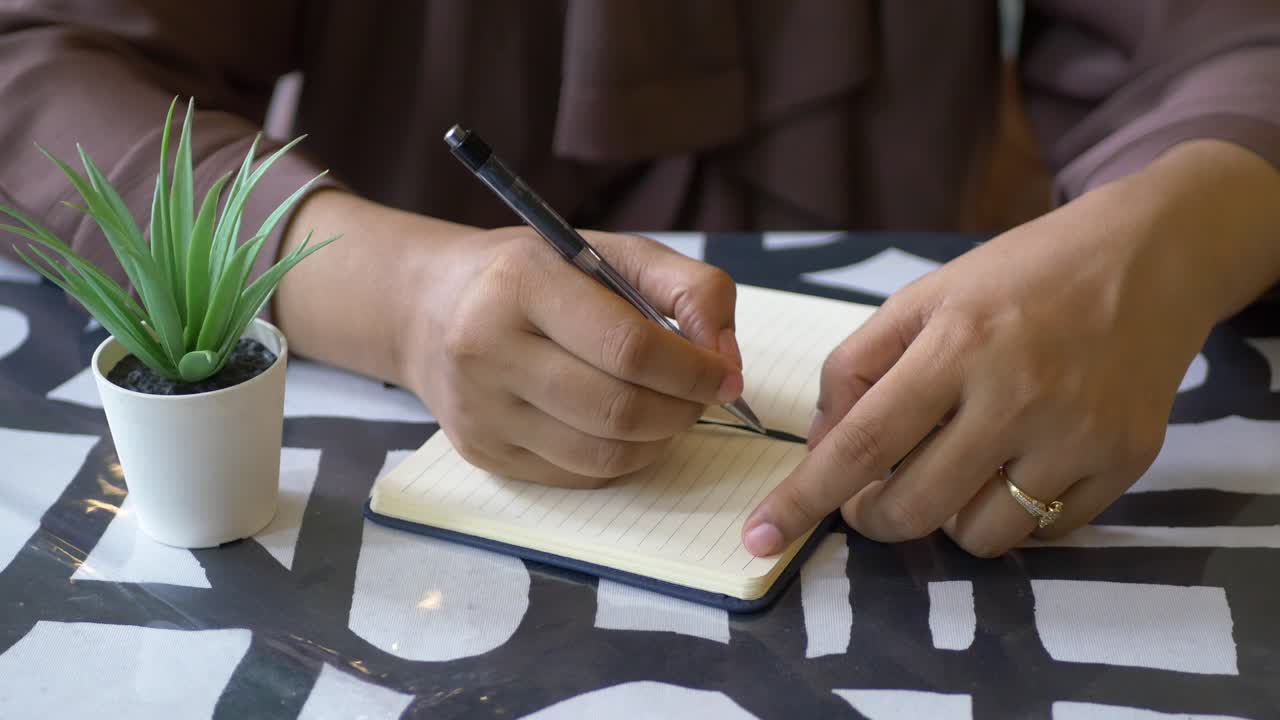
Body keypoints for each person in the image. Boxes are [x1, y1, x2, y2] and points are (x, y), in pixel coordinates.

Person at [1, 2, 1278, 560]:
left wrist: (1157, 249)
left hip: (952, 460)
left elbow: (1233, 41)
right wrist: (398, 294)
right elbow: (35, 66)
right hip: (373, 461)